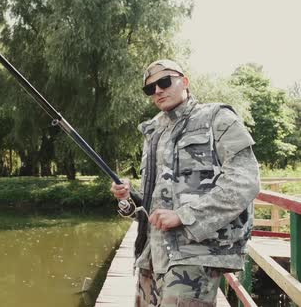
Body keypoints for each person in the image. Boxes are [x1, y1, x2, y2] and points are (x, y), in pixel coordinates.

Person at [110, 59, 260, 307]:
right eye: (150, 88)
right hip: (151, 255)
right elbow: (154, 203)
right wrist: (127, 197)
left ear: (185, 81)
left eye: (164, 82)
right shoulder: (154, 133)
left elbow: (244, 182)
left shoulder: (217, 118)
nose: (157, 90)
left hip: (195, 254)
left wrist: (185, 215)